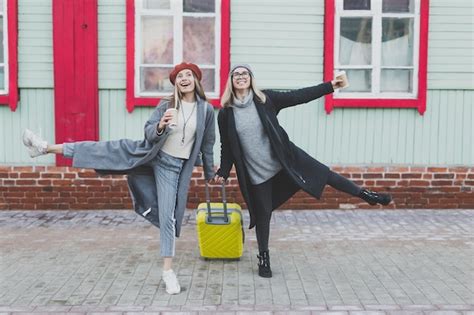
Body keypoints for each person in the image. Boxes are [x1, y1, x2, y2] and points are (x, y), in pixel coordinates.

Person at [22, 62, 215, 295]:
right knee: (104, 151)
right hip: (148, 154)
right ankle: (44, 148)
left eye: (189, 75)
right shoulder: (166, 105)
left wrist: (209, 174)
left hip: (172, 169)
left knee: (169, 217)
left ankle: (168, 271)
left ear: (196, 79)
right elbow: (149, 132)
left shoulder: (205, 110)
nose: (185, 78)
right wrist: (161, 126)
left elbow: (207, 144)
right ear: (175, 82)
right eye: (180, 76)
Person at [213, 64, 392, 278]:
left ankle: (367, 195)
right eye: (236, 74)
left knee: (324, 174)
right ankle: (263, 257)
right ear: (231, 81)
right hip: (257, 173)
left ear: (251, 78)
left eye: (245, 74)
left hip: (285, 161)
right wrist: (223, 172)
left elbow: (299, 96)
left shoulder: (266, 100)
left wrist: (329, 87)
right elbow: (227, 147)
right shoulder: (226, 114)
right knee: (262, 215)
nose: (241, 77)